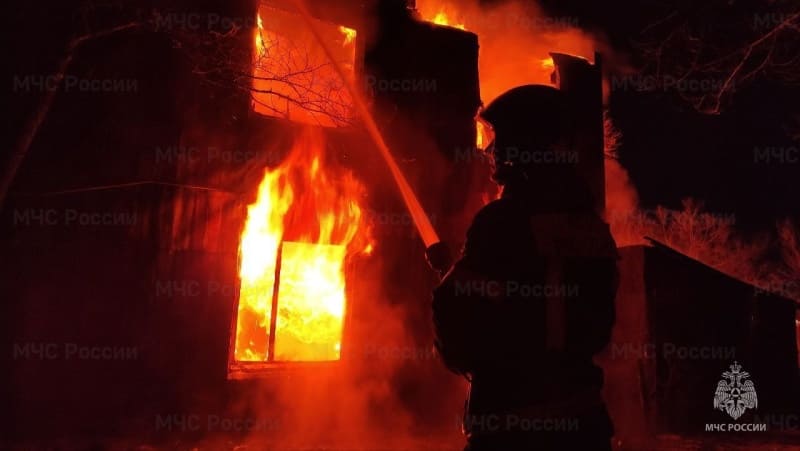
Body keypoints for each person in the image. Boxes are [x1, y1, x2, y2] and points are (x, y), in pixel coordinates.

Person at [429, 85, 619, 450]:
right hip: (584, 426)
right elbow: (545, 302)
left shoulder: (501, 221)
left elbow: (457, 317)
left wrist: (452, 282)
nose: (489, 150)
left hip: (510, 428)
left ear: (520, 144)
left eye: (497, 138)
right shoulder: (589, 225)